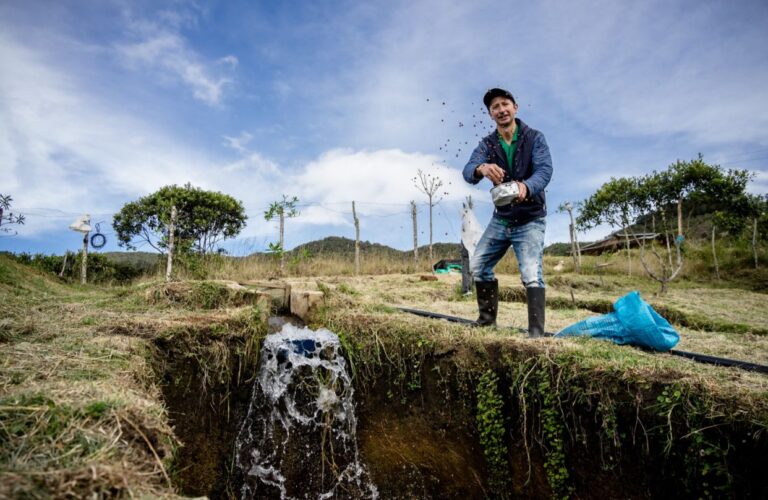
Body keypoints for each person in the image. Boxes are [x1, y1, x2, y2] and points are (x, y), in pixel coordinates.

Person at [462, 88, 553, 337]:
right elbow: (468, 170)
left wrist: (526, 186)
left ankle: (535, 332)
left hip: (530, 218)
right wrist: (482, 168)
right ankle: (486, 321)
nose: (501, 110)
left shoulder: (534, 138)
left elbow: (544, 171)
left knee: (531, 275)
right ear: (490, 114)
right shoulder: (488, 144)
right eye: (495, 107)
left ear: (515, 107)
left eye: (505, 104)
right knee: (478, 265)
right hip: (501, 219)